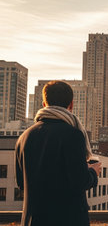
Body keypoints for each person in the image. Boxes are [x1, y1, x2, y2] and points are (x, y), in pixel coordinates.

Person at [15, 81, 102, 226]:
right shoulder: (73, 135)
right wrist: (92, 172)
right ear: (71, 105)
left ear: (44, 104)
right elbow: (80, 181)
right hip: (68, 219)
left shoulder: (24, 137)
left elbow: (21, 183)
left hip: (33, 220)